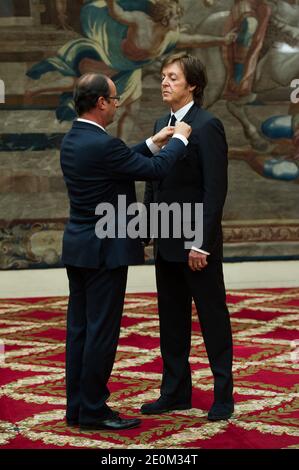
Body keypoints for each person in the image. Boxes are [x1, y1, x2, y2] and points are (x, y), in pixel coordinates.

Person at [60, 72, 191, 430]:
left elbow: (117, 164)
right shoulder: (103, 145)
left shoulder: (75, 139)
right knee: (101, 332)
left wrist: (152, 140)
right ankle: (94, 411)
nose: (118, 104)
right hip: (105, 251)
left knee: (80, 331)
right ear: (101, 103)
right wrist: (178, 139)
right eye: (116, 99)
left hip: (80, 248)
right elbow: (154, 171)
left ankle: (78, 407)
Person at [142, 53, 234, 421]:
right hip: (167, 242)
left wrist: (201, 242)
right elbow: (153, 178)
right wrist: (149, 230)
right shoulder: (160, 124)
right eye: (163, 77)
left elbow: (215, 190)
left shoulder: (207, 125)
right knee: (172, 320)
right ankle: (175, 392)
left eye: (173, 78)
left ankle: (223, 395)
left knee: (212, 319)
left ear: (192, 85)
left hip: (198, 247)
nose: (164, 83)